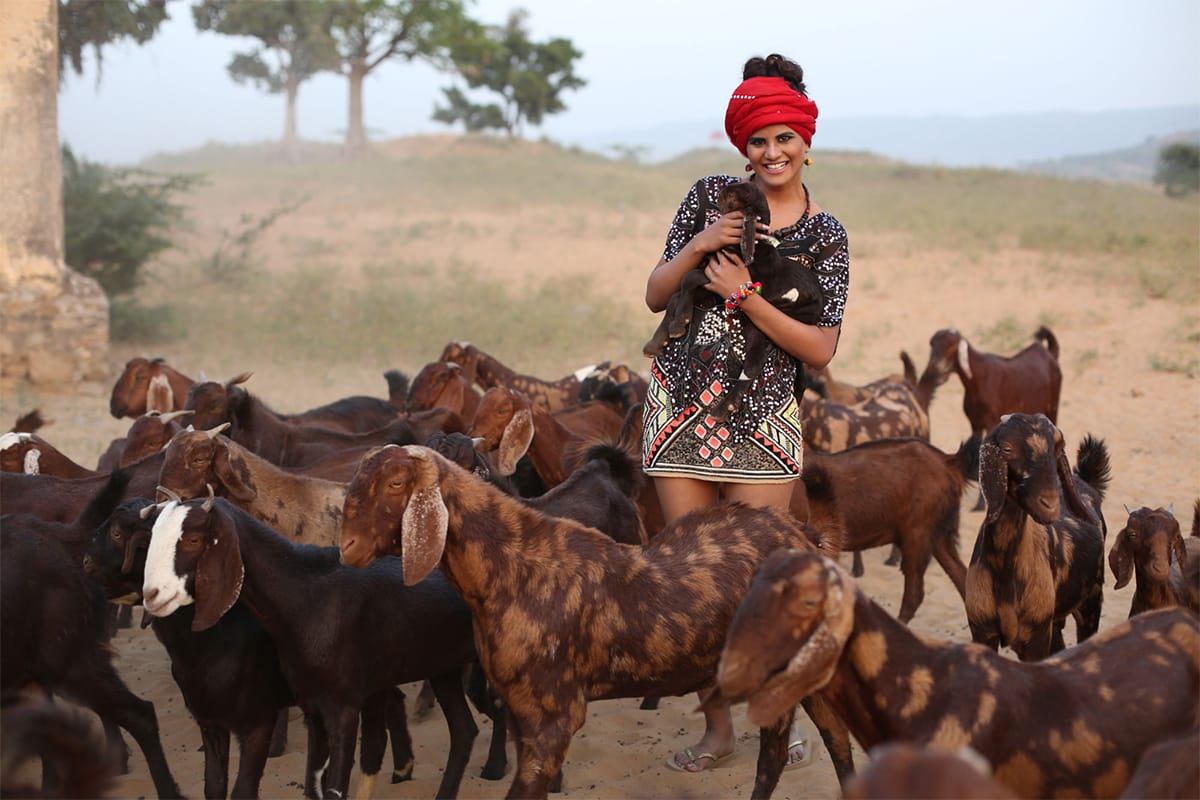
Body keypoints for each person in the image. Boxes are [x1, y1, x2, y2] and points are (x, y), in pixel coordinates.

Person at [642, 53, 850, 773]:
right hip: (679, 410)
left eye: (784, 138)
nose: (772, 153)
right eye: (758, 140)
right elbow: (654, 292)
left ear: (806, 140)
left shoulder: (827, 236)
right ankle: (717, 731)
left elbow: (820, 350)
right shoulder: (707, 197)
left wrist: (743, 295)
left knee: (768, 581)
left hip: (764, 419)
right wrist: (700, 244)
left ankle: (774, 720)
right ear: (743, 146)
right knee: (699, 587)